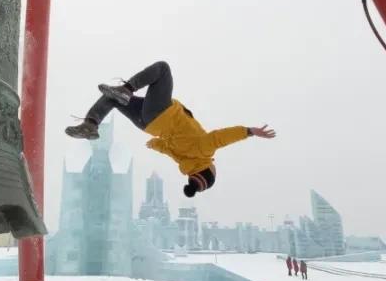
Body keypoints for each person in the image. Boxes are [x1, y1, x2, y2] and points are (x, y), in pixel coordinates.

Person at [65, 61, 275, 197]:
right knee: (113, 98)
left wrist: (249, 131)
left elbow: (221, 137)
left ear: (208, 170)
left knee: (163, 69)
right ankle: (91, 124)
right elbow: (164, 147)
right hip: (146, 124)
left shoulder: (204, 152)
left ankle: (126, 89)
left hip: (160, 113)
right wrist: (154, 144)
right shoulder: (182, 160)